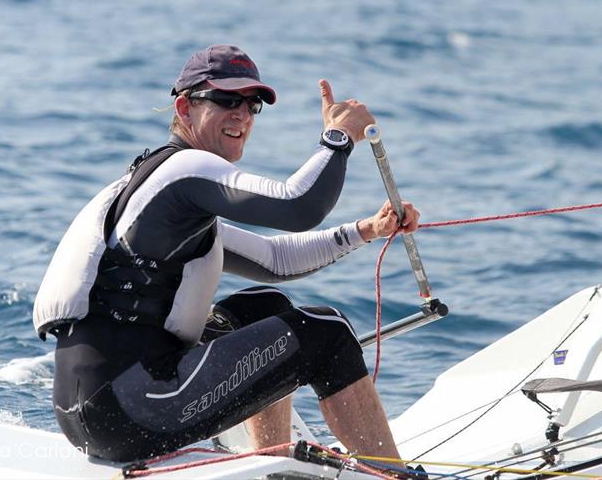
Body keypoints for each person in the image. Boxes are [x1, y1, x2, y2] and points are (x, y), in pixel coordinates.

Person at [33, 44, 420, 465]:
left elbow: (276, 260)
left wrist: (367, 230)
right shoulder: (188, 170)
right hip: (134, 409)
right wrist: (338, 139)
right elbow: (298, 206)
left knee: (265, 308)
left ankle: (272, 462)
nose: (243, 114)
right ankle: (391, 475)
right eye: (226, 100)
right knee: (327, 333)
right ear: (183, 108)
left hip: (93, 414)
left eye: (252, 105)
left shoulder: (164, 190)